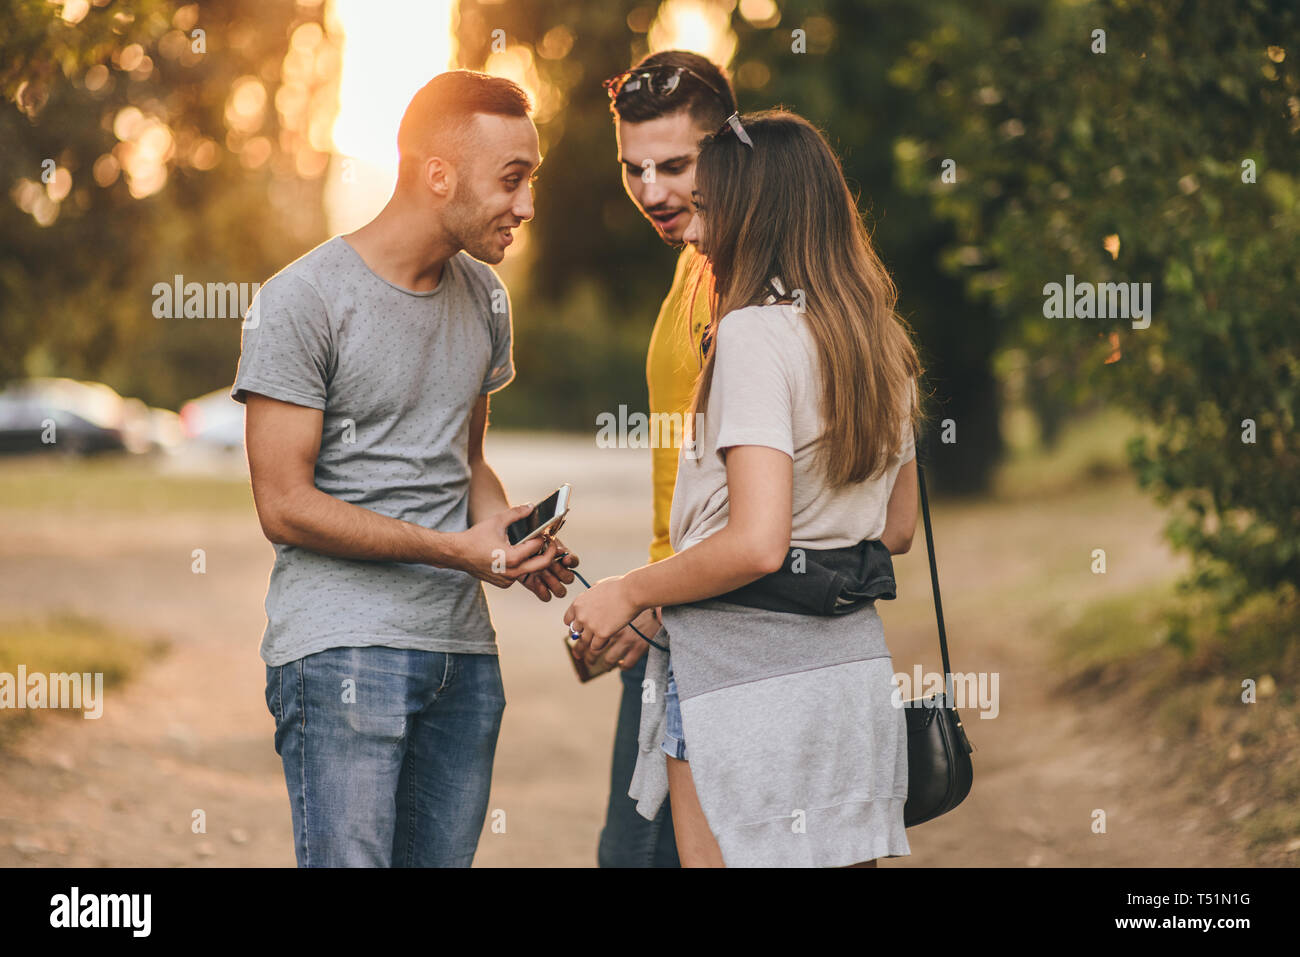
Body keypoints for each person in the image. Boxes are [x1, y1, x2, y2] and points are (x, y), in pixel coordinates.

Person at [232, 70, 577, 867]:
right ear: (437, 174)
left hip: (463, 660)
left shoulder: (487, 298)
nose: (526, 206)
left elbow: (467, 460)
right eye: (512, 180)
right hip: (342, 653)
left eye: (532, 181)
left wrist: (506, 528)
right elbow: (283, 505)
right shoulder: (303, 300)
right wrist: (457, 549)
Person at [564, 109, 924, 867]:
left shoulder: (755, 334)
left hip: (740, 676)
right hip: (850, 671)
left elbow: (757, 542)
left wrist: (629, 590)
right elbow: (895, 529)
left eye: (707, 210)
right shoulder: (881, 341)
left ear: (753, 214)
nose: (694, 234)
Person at [582, 50, 738, 868]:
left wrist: (647, 595)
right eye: (632, 168)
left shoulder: (759, 282)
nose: (650, 192)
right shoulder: (691, 265)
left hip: (722, 629)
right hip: (665, 621)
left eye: (674, 165)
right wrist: (642, 598)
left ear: (730, 147)